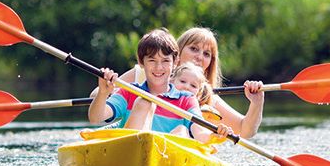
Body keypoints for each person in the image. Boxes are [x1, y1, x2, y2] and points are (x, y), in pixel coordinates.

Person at [108, 27, 264, 138]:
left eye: (207, 54)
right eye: (194, 49)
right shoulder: (145, 72)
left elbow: (245, 131)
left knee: (183, 130)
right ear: (178, 52)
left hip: (176, 149)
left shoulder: (207, 98)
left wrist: (257, 103)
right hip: (134, 138)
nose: (200, 57)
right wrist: (122, 94)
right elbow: (97, 94)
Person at [88, 28, 230, 144]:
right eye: (152, 60)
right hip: (129, 150)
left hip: (166, 157)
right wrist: (103, 93)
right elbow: (95, 118)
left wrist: (215, 135)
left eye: (165, 61)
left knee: (181, 130)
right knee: (144, 102)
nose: (158, 67)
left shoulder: (187, 100)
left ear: (175, 63)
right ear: (142, 63)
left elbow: (200, 132)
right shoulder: (129, 91)